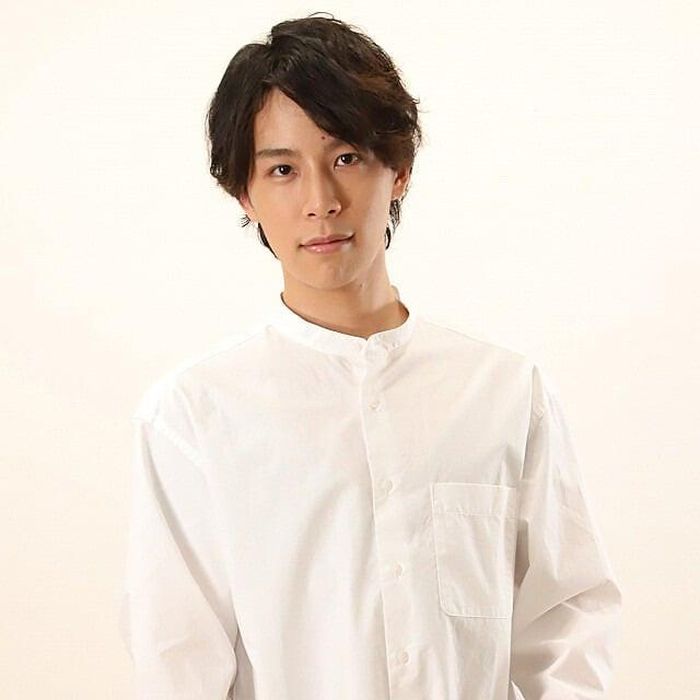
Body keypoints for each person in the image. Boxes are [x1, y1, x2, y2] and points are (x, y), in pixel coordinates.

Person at [119, 12, 623, 700]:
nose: (321, 202)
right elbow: (177, 660)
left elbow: (567, 619)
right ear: (244, 193)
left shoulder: (505, 392)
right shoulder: (195, 415)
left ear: (399, 168)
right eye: (283, 170)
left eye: (346, 158)